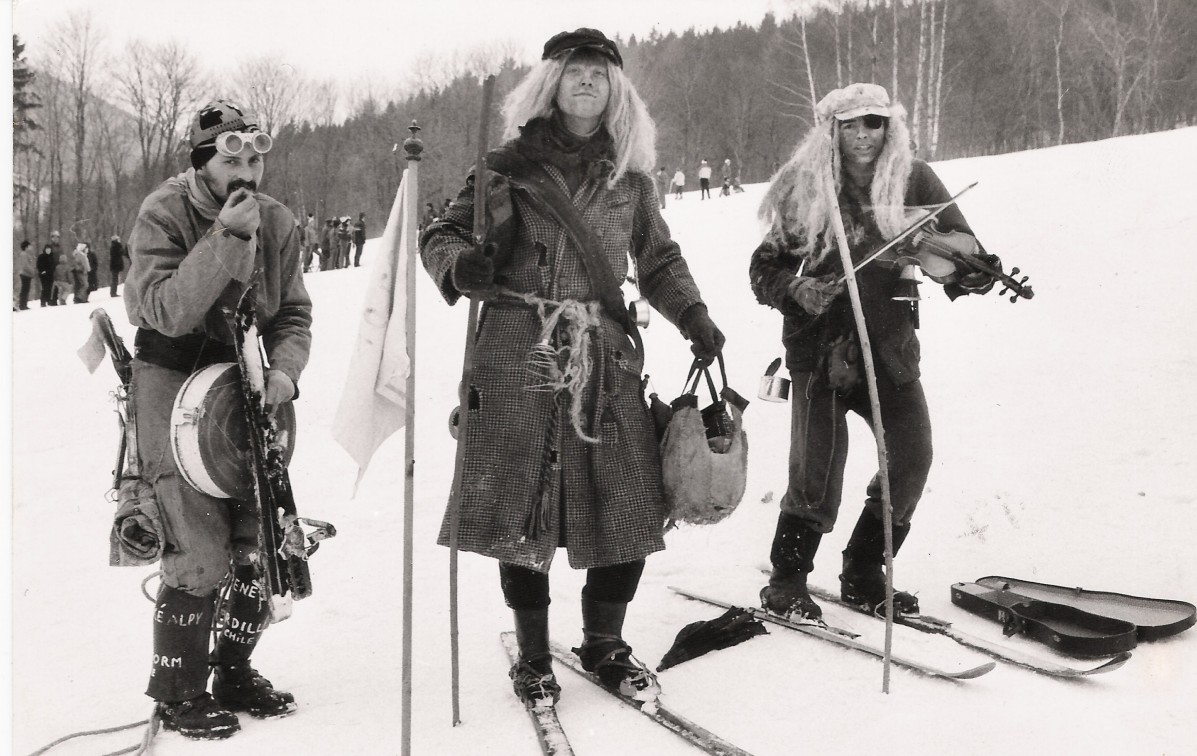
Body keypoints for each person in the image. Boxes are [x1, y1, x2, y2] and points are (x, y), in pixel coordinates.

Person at [420, 28, 725, 711]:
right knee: (521, 506)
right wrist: (458, 265)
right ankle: (532, 658)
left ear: (615, 90)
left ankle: (603, 643)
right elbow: (440, 233)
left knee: (629, 499)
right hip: (513, 351)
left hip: (603, 359)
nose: (586, 82)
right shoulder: (502, 169)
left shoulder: (629, 177)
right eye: (573, 72)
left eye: (599, 73)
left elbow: (659, 262)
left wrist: (694, 315)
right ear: (550, 84)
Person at [750, 83, 1001, 622]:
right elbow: (763, 268)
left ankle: (864, 569)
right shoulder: (806, 185)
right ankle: (786, 579)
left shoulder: (914, 178)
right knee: (817, 469)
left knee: (912, 455)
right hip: (819, 346)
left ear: (890, 127)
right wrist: (795, 289)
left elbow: (960, 252)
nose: (863, 136)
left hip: (889, 344)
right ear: (831, 130)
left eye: (873, 123)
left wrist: (973, 272)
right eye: (850, 125)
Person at [124, 98, 312, 740]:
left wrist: (285, 370)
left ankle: (232, 669)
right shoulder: (164, 211)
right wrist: (226, 238)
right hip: (171, 376)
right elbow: (163, 311)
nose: (249, 169)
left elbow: (291, 312)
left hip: (245, 381)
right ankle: (178, 691)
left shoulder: (279, 221)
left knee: (259, 538)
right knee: (198, 545)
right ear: (203, 163)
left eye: (258, 156)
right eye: (233, 157)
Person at [36, 242, 56, 307]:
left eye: (49, 249)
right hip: (44, 275)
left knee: (49, 288)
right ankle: (43, 301)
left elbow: (53, 265)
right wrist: (42, 271)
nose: (48, 250)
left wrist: (52, 271)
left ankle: (48, 300)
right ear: (45, 249)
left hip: (50, 274)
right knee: (45, 288)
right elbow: (39, 265)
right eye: (47, 249)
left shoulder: (52, 256)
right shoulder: (41, 256)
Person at [17, 240, 35, 310]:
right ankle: (22, 305)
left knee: (26, 289)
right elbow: (26, 265)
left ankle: (24, 304)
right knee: (25, 289)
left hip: (27, 274)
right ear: (26, 247)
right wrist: (32, 272)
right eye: (29, 246)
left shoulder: (26, 254)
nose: (31, 247)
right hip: (25, 274)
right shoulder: (24, 254)